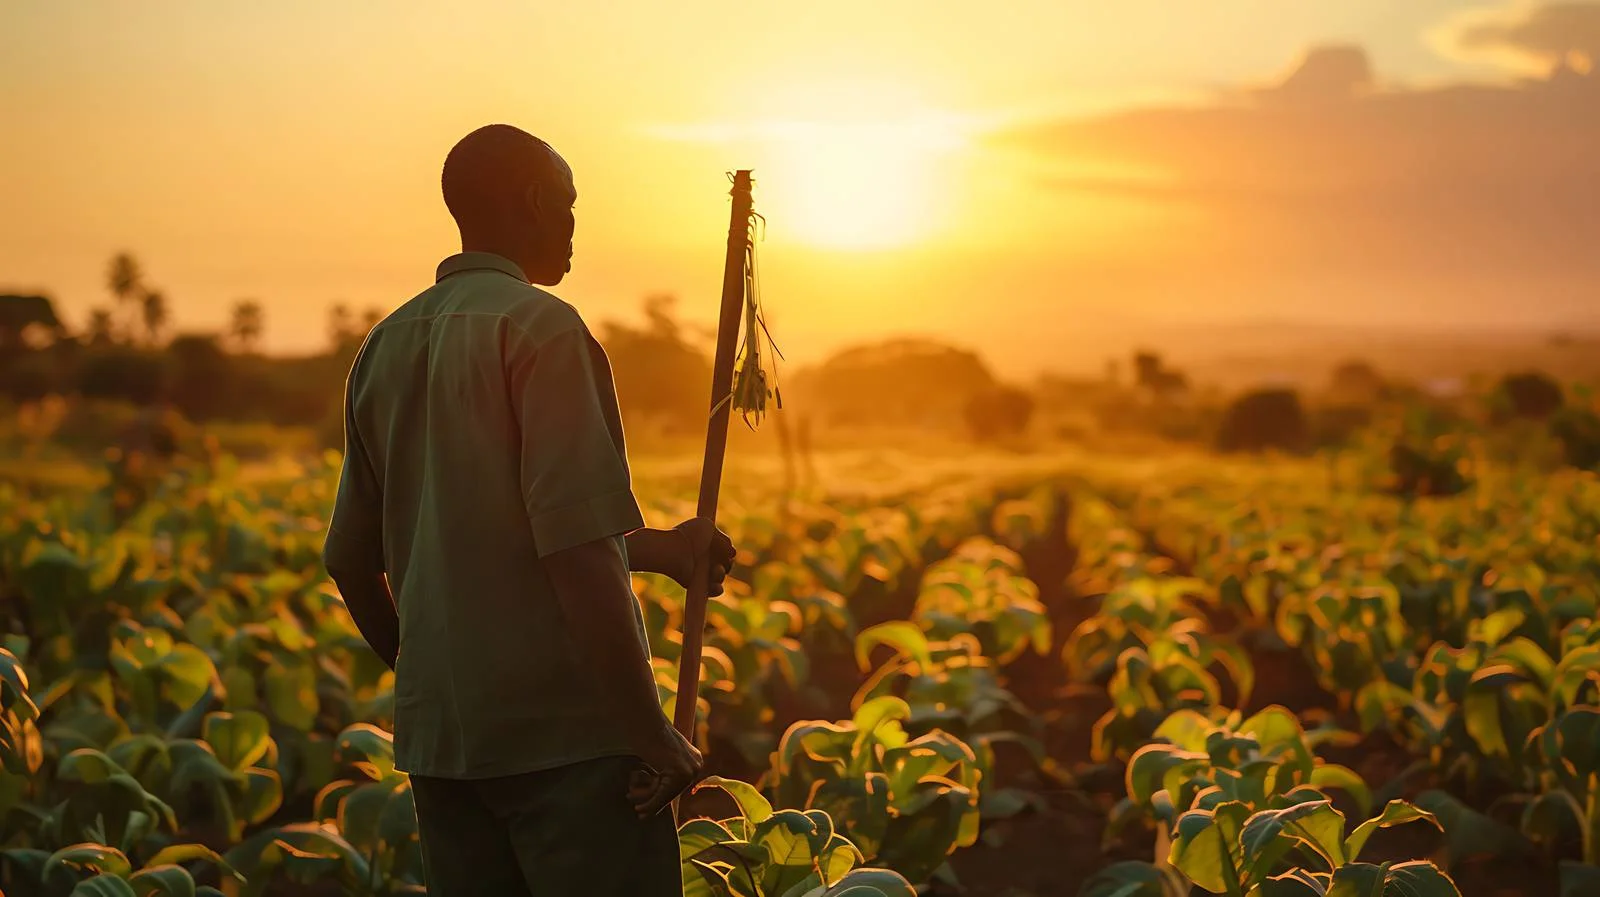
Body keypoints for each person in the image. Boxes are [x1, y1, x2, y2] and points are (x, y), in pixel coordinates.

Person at [321, 123, 733, 897]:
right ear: (538, 201)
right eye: (570, 203)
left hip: (443, 749)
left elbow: (354, 556)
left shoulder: (386, 342)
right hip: (569, 745)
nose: (576, 225)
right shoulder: (545, 330)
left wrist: (665, 550)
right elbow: (574, 549)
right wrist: (653, 736)